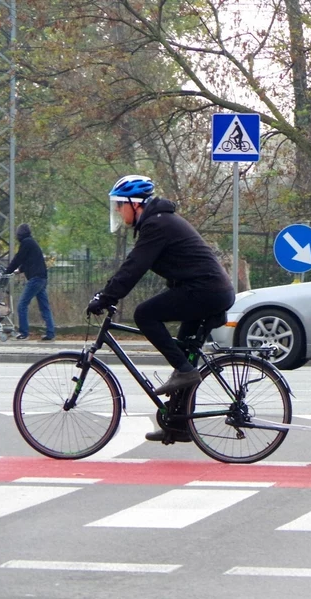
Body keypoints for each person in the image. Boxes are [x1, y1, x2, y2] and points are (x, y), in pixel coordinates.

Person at [87, 175, 235, 443]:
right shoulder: (157, 222)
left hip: (206, 291)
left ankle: (185, 372)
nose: (118, 211)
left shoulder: (157, 224)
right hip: (207, 290)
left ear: (135, 203)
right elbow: (135, 265)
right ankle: (178, 424)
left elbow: (134, 267)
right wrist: (109, 294)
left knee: (145, 314)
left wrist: (106, 297)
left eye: (120, 205)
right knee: (184, 352)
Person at [3, 223, 55, 341]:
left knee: (22, 305)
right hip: (42, 278)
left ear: (20, 234)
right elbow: (29, 261)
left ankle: (24, 333)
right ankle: (50, 333)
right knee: (44, 307)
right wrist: (19, 270)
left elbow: (18, 258)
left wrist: (7, 271)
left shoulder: (26, 243)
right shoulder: (32, 243)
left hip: (35, 279)